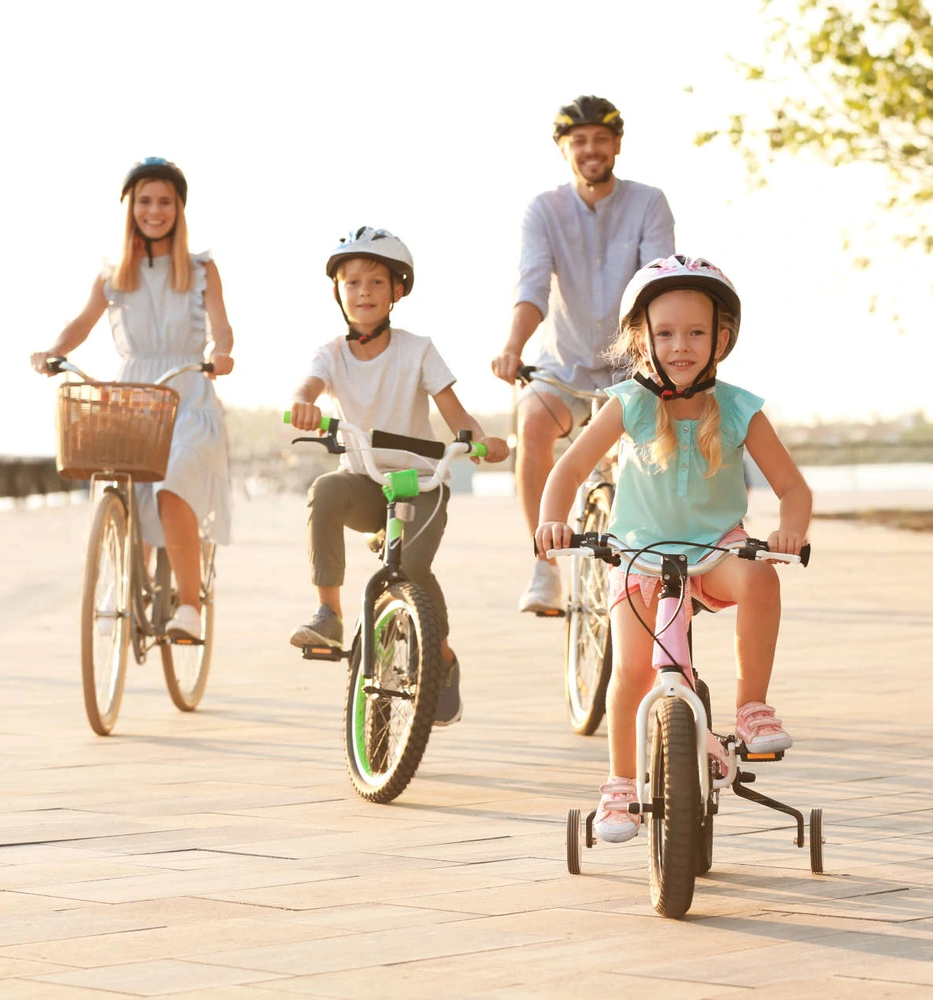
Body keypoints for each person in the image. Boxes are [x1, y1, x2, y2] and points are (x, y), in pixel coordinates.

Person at [535, 255, 812, 842]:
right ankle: (619, 783)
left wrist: (790, 529)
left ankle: (752, 708)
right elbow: (570, 468)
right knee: (632, 671)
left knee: (762, 576)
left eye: (695, 332)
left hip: (715, 552)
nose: (680, 345)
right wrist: (551, 521)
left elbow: (792, 488)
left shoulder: (738, 407)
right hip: (639, 555)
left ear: (721, 338)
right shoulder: (629, 402)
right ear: (644, 339)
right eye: (665, 333)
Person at [288, 227, 509, 726]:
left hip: (420, 484)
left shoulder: (418, 350)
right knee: (323, 489)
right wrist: (303, 403)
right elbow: (310, 383)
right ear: (338, 292)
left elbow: (455, 413)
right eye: (352, 283)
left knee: (412, 566)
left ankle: (443, 660)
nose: (362, 292)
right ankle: (329, 615)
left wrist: (479, 441)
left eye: (375, 282)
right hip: (365, 481)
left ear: (397, 291)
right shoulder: (332, 353)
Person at [31, 157, 234, 639]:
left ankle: (189, 606)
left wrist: (221, 353)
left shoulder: (202, 269)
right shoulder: (112, 275)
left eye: (165, 201)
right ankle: (122, 586)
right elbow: (81, 323)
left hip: (188, 393)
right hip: (135, 397)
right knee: (125, 486)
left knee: (172, 483)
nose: (154, 210)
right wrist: (54, 352)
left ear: (179, 208)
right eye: (144, 200)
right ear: (130, 207)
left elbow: (223, 327)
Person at [491, 95, 675, 613]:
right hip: (563, 362)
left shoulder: (648, 203)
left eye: (600, 139)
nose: (590, 149)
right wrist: (511, 347)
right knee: (532, 426)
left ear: (617, 145)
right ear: (564, 150)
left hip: (631, 363)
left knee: (651, 453)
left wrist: (663, 357)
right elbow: (532, 288)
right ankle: (544, 566)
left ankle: (656, 563)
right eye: (579, 142)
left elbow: (656, 286)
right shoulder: (544, 210)